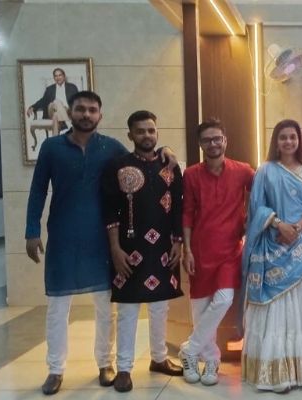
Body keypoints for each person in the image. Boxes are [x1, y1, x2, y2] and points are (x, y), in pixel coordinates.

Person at [25, 90, 177, 396]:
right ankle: (55, 369)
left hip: (103, 241)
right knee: (57, 307)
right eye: (80, 109)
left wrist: (167, 150)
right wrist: (31, 230)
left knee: (106, 307)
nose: (86, 114)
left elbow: (142, 154)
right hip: (63, 237)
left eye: (92, 110)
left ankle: (105, 363)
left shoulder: (110, 148)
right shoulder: (52, 148)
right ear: (70, 113)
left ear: (100, 115)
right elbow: (38, 188)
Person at [100, 110, 185, 392]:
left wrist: (178, 242)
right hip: (129, 249)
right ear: (130, 135)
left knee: (160, 306)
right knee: (128, 308)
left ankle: (159, 358)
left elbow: (178, 207)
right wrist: (115, 249)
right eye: (140, 131)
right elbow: (109, 211)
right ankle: (124, 368)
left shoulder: (170, 166)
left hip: (163, 248)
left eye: (151, 130)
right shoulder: (117, 166)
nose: (146, 135)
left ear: (157, 133)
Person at [241, 119, 302, 393]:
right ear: (275, 142)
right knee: (273, 309)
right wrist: (279, 225)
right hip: (272, 244)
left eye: (292, 137)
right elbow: (257, 208)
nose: (288, 142)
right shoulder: (265, 170)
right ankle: (273, 374)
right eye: (283, 137)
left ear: (299, 140)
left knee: (301, 309)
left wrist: (296, 229)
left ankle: (299, 371)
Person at [179, 119, 254, 386]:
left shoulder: (242, 171)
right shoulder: (191, 174)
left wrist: (251, 219)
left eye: (217, 138)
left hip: (230, 251)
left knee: (223, 300)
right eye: (207, 140)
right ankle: (211, 360)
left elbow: (264, 191)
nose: (212, 144)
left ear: (225, 140)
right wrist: (187, 250)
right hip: (200, 250)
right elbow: (187, 213)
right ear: (200, 144)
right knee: (201, 311)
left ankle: (189, 349)